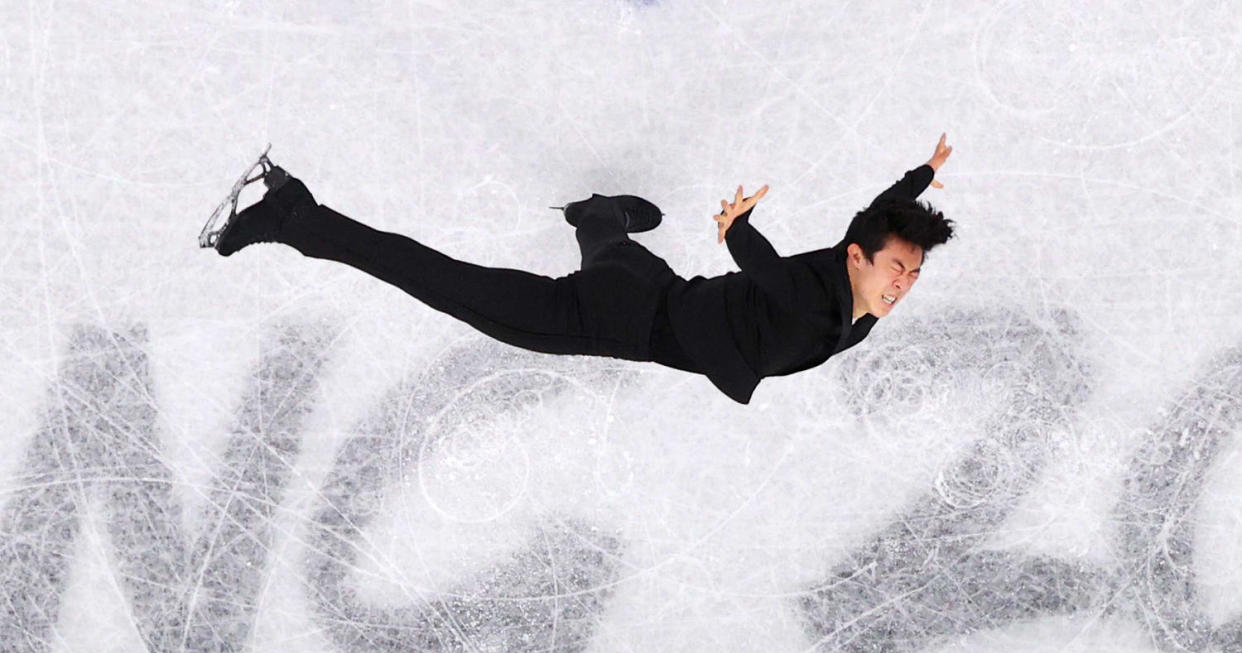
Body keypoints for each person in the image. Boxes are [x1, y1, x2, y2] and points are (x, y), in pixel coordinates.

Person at [200, 135, 955, 405]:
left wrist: (920, 179)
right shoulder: (811, 291)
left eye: (912, 274)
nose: (902, 283)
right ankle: (293, 214)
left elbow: (874, 216)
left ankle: (604, 213)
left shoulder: (855, 283)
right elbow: (760, 268)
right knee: (442, 283)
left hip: (652, 295)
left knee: (607, 253)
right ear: (858, 260)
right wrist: (737, 228)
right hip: (615, 320)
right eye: (896, 268)